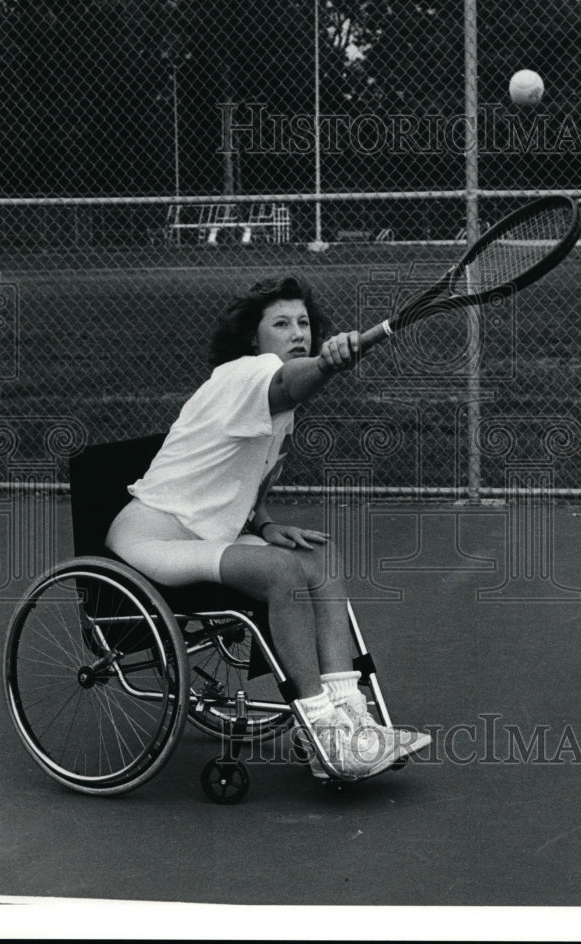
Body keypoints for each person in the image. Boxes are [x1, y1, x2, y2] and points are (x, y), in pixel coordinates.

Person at [106, 274, 430, 781]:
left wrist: (265, 522)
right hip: (154, 536)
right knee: (281, 573)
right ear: (253, 339)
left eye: (303, 323)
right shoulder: (245, 374)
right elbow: (290, 379)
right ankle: (320, 726)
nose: (296, 331)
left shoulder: (277, 404)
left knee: (320, 557)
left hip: (214, 534)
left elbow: (250, 473)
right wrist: (328, 360)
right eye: (280, 323)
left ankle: (351, 718)